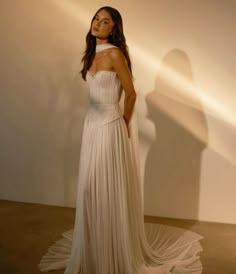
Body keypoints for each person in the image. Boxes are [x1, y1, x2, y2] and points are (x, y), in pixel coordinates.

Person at [39, 6, 203, 274]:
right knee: (89, 190)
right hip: (91, 128)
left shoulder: (115, 54)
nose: (98, 23)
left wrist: (123, 122)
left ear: (113, 28)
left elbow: (131, 93)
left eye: (105, 21)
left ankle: (112, 254)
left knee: (101, 186)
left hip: (109, 126)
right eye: (96, 18)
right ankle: (94, 250)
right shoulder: (91, 54)